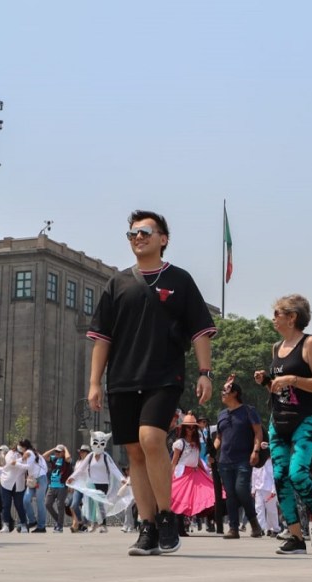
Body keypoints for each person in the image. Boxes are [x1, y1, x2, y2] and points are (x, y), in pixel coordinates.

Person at [87, 210, 216, 556]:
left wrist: (206, 373)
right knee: (134, 451)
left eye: (145, 232)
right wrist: (94, 383)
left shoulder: (180, 279)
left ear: (163, 238)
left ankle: (166, 517)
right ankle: (146, 527)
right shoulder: (117, 283)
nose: (138, 238)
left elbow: (201, 330)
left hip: (163, 375)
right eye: (131, 234)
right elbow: (102, 338)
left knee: (151, 439)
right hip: (123, 378)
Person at [255, 294, 312, 556]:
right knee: (279, 477)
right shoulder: (276, 348)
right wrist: (267, 381)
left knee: (297, 474)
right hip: (279, 420)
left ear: (292, 317)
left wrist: (291, 379)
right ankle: (295, 536)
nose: (274, 318)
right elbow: (281, 389)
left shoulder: (310, 344)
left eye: (278, 313)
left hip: (305, 420)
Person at [214, 376, 264, 539]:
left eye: (225, 390)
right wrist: (212, 451)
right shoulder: (221, 414)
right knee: (230, 494)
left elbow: (258, 432)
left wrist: (255, 451)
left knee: (241, 489)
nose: (222, 393)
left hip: (243, 458)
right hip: (224, 460)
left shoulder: (248, 410)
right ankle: (233, 528)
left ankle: (254, 522)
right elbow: (219, 437)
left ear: (235, 393)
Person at [170, 414, 217, 531]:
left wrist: (206, 472)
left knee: (208, 494)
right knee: (181, 500)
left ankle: (207, 522)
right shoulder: (179, 443)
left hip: (194, 473)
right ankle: (180, 527)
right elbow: (174, 461)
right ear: (183, 428)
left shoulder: (197, 443)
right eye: (188, 427)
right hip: (181, 474)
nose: (190, 430)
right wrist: (170, 477)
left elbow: (198, 460)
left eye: (193, 428)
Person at [0, 440, 32, 532]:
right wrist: (21, 460)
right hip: (7, 482)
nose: (21, 448)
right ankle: (5, 525)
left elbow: (27, 467)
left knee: (19, 505)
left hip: (19, 484)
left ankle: (23, 525)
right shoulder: (10, 453)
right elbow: (10, 463)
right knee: (6, 504)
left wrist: (19, 462)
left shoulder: (28, 455)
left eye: (23, 446)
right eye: (20, 446)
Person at [44, 444, 73, 533]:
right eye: (56, 452)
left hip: (62, 486)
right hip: (52, 486)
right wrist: (54, 448)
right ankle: (59, 520)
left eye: (58, 452)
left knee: (60, 506)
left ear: (63, 453)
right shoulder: (54, 458)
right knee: (47, 504)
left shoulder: (66, 460)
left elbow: (68, 458)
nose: (56, 453)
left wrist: (65, 448)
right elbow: (44, 456)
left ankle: (59, 526)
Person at [23, 444, 49, 532]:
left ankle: (41, 526)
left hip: (41, 479)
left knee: (39, 501)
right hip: (32, 480)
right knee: (26, 499)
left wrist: (16, 464)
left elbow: (44, 469)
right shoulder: (31, 456)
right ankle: (32, 520)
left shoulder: (32, 454)